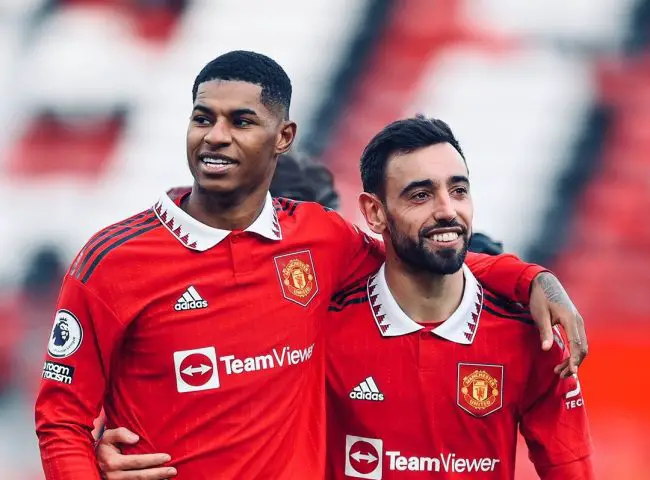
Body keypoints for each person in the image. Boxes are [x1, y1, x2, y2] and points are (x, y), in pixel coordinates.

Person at [35, 51, 585, 480]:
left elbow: (419, 255)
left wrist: (532, 280)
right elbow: (61, 419)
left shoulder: (319, 238)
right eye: (203, 117)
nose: (216, 135)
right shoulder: (112, 261)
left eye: (241, 120)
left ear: (283, 138)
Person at [325, 116, 593, 479]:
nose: (447, 210)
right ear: (375, 212)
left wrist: (533, 278)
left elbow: (571, 471)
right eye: (420, 195)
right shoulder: (324, 330)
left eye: (458, 190)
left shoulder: (531, 336)